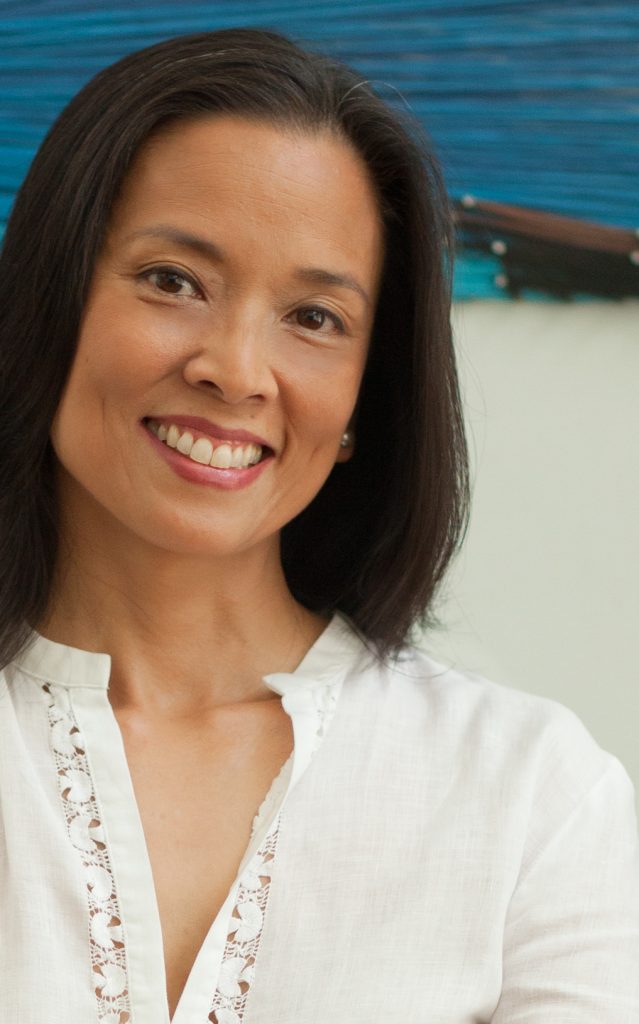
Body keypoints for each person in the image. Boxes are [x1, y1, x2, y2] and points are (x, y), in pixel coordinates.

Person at [0, 28, 637, 1024]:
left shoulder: (531, 796)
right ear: (52, 299)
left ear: (361, 404)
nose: (234, 370)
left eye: (314, 318)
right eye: (172, 279)